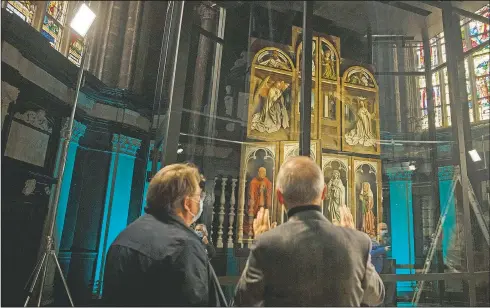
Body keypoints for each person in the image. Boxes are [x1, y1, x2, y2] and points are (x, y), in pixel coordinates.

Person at [234, 156, 385, 306]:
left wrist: (260, 240)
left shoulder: (267, 244)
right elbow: (375, 297)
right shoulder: (358, 242)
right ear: (324, 193)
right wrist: (351, 241)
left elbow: (243, 302)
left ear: (279, 197)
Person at [102, 163, 225, 306]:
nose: (200, 200)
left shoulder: (125, 235)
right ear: (187, 203)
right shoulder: (184, 245)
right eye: (198, 195)